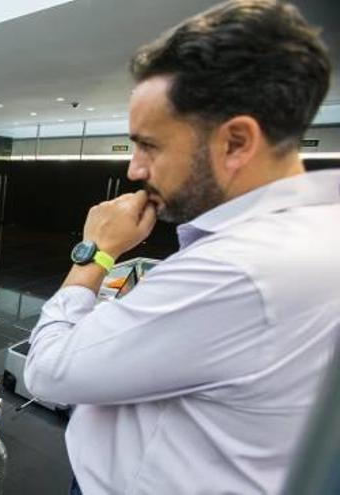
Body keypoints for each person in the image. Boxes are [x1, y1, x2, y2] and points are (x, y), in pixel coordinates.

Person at [23, 1, 338, 494]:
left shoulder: (237, 268)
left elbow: (46, 370)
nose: (134, 169)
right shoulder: (316, 231)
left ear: (235, 142)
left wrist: (95, 252)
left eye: (149, 145)